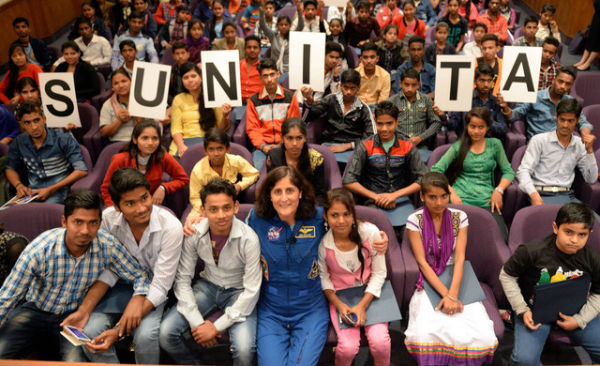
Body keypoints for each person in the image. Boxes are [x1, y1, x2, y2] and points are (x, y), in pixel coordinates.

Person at [0, 190, 149, 361]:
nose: (85, 231)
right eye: (78, 222)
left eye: (93, 223)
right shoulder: (40, 250)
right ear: (64, 221)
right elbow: (7, 298)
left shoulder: (107, 245)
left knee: (76, 362)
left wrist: (139, 297)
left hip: (74, 317)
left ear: (100, 223)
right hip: (36, 311)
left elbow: (140, 275)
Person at [79, 169, 183, 364]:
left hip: (154, 288)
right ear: (117, 207)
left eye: (145, 198)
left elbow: (161, 285)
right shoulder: (108, 220)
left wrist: (118, 330)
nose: (142, 208)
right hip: (118, 285)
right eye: (130, 203)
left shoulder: (171, 227)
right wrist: (86, 308)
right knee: (91, 330)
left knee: (144, 336)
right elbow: (108, 269)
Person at [161, 178, 261, 365]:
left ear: (236, 207)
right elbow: (182, 279)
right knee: (166, 333)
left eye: (226, 208)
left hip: (239, 291)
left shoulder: (249, 239)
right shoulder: (194, 233)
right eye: (213, 209)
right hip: (208, 285)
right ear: (203, 210)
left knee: (245, 349)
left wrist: (216, 327)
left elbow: (252, 291)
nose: (221, 215)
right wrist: (197, 322)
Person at [404, 171, 498, 365]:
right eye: (432, 197)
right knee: (426, 334)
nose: (439, 203)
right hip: (430, 277)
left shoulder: (459, 216)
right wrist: (445, 295)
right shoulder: (415, 220)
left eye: (443, 196)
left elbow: (460, 256)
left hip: (457, 274)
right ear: (422, 196)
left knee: (480, 335)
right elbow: (421, 261)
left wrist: (453, 295)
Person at [500, 202, 600, 365]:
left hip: (576, 311)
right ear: (555, 227)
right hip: (533, 312)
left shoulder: (592, 258)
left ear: (589, 233)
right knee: (524, 361)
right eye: (568, 232)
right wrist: (521, 309)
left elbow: (598, 293)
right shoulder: (531, 250)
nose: (574, 240)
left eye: (582, 234)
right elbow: (507, 276)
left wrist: (580, 320)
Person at [318, 188, 390, 366]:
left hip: (371, 294)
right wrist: (340, 306)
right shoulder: (324, 246)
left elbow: (379, 272)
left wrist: (363, 305)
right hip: (341, 298)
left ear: (353, 214)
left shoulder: (371, 233)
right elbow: (324, 280)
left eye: (346, 214)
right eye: (334, 215)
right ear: (326, 216)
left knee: (380, 343)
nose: (341, 221)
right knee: (347, 348)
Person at [431, 107, 513, 240]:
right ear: (467, 126)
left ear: (487, 128)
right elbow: (436, 169)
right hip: (459, 200)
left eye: (481, 127)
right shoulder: (458, 146)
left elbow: (508, 172)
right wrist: (450, 191)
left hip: (487, 200)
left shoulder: (495, 145)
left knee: (500, 239)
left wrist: (499, 190)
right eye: (472, 126)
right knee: (448, 240)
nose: (476, 131)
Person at [343, 101, 427, 227]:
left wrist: (394, 195)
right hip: (371, 200)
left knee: (409, 233)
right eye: (380, 124)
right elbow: (348, 180)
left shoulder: (407, 144)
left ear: (397, 122)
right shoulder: (365, 145)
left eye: (389, 124)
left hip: (401, 199)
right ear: (375, 121)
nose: (384, 129)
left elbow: (423, 179)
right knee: (375, 234)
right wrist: (376, 197)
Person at [515, 99, 597, 206]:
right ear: (556, 116)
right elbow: (523, 172)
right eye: (562, 120)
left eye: (570, 121)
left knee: (595, 222)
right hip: (540, 194)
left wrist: (590, 151)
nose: (565, 125)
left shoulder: (580, 144)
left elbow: (591, 179)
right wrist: (534, 195)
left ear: (578, 120)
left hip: (567, 196)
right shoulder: (539, 140)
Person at [6, 102, 88, 204]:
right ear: (22, 125)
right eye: (27, 123)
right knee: (9, 214)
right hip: (32, 193)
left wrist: (51, 189)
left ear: (44, 119)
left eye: (36, 120)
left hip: (59, 190)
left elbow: (81, 170)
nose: (34, 127)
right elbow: (10, 168)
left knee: (38, 213)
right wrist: (19, 185)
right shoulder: (19, 142)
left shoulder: (63, 139)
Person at [183, 128, 259, 234]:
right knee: (190, 228)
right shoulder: (198, 169)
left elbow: (254, 174)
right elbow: (195, 198)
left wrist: (240, 186)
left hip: (230, 204)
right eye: (211, 149)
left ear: (227, 149)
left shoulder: (235, 160)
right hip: (207, 206)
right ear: (205, 150)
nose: (216, 153)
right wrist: (205, 211)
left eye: (220, 148)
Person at [100, 121, 189, 206]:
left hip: (151, 205)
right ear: (135, 140)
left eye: (155, 138)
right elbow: (106, 189)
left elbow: (183, 179)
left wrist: (164, 187)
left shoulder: (163, 157)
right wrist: (114, 208)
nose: (150, 143)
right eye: (145, 138)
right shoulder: (120, 159)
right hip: (125, 206)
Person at [501, 66, 593, 139]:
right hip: (538, 144)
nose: (563, 86)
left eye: (567, 84)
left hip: (561, 143)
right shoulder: (535, 97)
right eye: (560, 81)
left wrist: (585, 134)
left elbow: (584, 123)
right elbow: (513, 116)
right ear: (553, 80)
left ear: (571, 86)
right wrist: (505, 107)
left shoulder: (570, 101)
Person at [302, 69, 374, 163]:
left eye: (352, 88)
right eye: (345, 87)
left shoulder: (363, 108)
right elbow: (308, 118)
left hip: (352, 147)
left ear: (358, 88)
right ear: (340, 86)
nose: (348, 92)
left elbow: (373, 137)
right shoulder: (331, 99)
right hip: (329, 144)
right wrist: (308, 102)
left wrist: (348, 146)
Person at [246, 58, 300, 169]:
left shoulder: (291, 97)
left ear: (278, 74)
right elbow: (252, 129)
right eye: (265, 76)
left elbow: (294, 126)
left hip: (286, 145)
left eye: (272, 74)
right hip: (262, 146)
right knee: (258, 175)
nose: (269, 79)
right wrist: (263, 146)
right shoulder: (253, 101)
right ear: (260, 78)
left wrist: (281, 144)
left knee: (290, 172)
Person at [169, 62, 231, 157]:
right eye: (186, 77)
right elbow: (176, 128)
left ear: (201, 78)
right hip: (184, 143)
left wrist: (225, 116)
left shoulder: (213, 96)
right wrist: (181, 146)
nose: (190, 80)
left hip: (208, 142)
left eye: (193, 76)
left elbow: (221, 128)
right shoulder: (178, 99)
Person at [388, 68, 445, 162]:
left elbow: (436, 122)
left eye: (413, 85)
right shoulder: (392, 101)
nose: (410, 88)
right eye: (406, 84)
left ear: (418, 85)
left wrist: (420, 138)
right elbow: (387, 124)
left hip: (421, 146)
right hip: (397, 145)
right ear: (400, 84)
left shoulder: (426, 100)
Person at [266, 118, 326, 204]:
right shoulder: (273, 157)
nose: (294, 143)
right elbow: (270, 189)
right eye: (289, 138)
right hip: (282, 203)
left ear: (305, 138)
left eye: (299, 138)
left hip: (308, 204)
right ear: (282, 138)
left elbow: (319, 194)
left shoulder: (316, 159)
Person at [448, 64, 508, 140]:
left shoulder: (496, 101)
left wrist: (486, 123)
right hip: (467, 143)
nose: (486, 85)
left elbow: (503, 128)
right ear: (475, 81)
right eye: (482, 80)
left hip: (488, 145)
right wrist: (442, 116)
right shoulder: (464, 99)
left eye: (489, 81)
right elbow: (453, 124)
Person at [100, 69, 153, 143]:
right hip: (117, 143)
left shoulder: (144, 100)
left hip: (143, 141)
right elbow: (103, 133)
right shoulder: (108, 105)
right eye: (116, 83)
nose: (121, 86)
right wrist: (119, 121)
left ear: (131, 82)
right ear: (112, 88)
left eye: (124, 81)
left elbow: (154, 123)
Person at [258, 4, 304, 74]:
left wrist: (299, 11)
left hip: (289, 71)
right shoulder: (273, 36)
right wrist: (262, 10)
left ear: (290, 26)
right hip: (274, 69)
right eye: (281, 24)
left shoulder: (293, 36)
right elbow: (263, 26)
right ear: (277, 26)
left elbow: (300, 26)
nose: (283, 27)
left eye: (286, 25)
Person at [356, 42, 391, 106]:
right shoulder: (355, 73)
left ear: (377, 59)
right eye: (365, 57)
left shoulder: (385, 76)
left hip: (375, 107)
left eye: (372, 57)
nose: (369, 61)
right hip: (357, 105)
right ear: (361, 59)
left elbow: (382, 102)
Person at [574, 0, 600, 71]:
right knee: (591, 38)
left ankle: (588, 63)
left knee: (597, 41)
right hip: (597, 16)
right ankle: (582, 61)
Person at [240, 35, 263, 103]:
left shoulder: (264, 67)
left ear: (260, 50)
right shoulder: (237, 65)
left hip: (258, 103)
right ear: (244, 49)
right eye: (249, 47)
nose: (252, 50)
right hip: (238, 102)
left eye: (255, 47)